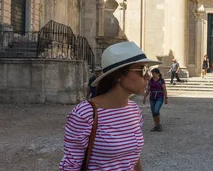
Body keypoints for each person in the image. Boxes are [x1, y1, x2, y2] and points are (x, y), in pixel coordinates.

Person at [60, 41, 158, 171]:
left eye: (148, 70)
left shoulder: (133, 110)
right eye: (142, 70)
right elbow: (70, 166)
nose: (148, 76)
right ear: (119, 76)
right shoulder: (85, 113)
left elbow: (133, 158)